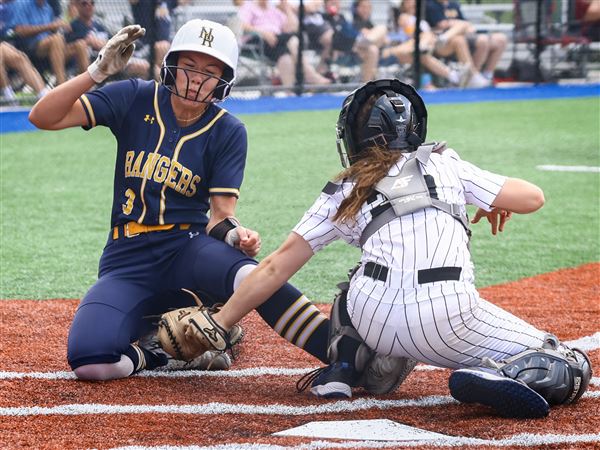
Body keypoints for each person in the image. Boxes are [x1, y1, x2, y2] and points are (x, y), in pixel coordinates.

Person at [27, 20, 410, 392]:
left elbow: (219, 217)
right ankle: (162, 353)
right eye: (189, 66)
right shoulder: (133, 95)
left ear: (224, 79)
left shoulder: (227, 130)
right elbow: (42, 116)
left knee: (251, 277)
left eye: (210, 71)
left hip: (187, 249)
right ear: (171, 66)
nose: (196, 78)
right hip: (127, 260)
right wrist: (97, 71)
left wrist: (236, 235)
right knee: (91, 361)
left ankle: (350, 356)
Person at [190, 78, 592, 416]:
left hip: (373, 318)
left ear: (354, 134)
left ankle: (345, 368)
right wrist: (493, 203)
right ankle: (495, 371)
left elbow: (276, 267)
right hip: (448, 318)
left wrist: (221, 322)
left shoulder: (344, 187)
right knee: (572, 364)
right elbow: (533, 197)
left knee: (359, 276)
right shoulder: (445, 162)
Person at [238, 0, 331, 88]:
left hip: (277, 42)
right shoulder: (248, 7)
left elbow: (293, 28)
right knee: (292, 40)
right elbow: (242, 25)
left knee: (285, 56)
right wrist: (263, 33)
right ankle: (311, 76)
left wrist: (287, 8)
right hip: (257, 41)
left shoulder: (273, 9)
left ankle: (290, 94)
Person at [425, 0, 506, 84]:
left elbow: (468, 26)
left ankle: (486, 75)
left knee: (501, 39)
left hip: (461, 35)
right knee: (481, 40)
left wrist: (457, 24)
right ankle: (473, 76)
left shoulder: (453, 4)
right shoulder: (430, 4)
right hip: (443, 42)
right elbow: (441, 25)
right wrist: (459, 24)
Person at [9, 0, 88, 85]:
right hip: (30, 48)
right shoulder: (22, 4)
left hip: (51, 50)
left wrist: (64, 24)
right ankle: (61, 85)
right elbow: (19, 31)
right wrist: (50, 26)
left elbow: (53, 29)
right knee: (56, 39)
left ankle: (87, 88)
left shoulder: (47, 7)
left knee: (81, 44)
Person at [67, 0, 149, 79]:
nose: (89, 6)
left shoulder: (99, 25)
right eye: (84, 3)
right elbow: (70, 50)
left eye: (92, 2)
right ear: (77, 6)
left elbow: (114, 42)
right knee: (144, 66)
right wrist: (89, 42)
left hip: (114, 59)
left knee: (147, 67)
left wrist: (101, 44)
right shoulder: (74, 27)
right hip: (96, 64)